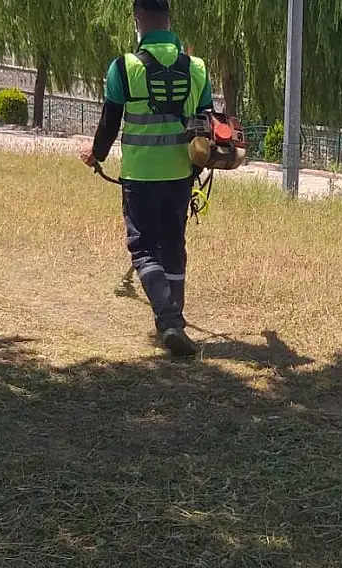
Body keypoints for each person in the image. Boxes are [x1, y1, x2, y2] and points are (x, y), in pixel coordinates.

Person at [80, 0, 214, 358]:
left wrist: (98, 154)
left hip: (140, 176)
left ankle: (168, 320)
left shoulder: (122, 68)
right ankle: (176, 321)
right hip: (180, 176)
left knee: (143, 250)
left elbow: (110, 122)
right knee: (173, 246)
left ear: (138, 22)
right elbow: (205, 124)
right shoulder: (197, 68)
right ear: (169, 20)